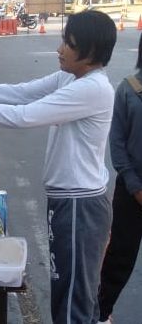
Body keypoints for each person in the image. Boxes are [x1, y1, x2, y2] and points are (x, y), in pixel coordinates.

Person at [0, 10, 116, 324]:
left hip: (79, 207)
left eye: (68, 44)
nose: (60, 49)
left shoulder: (92, 88)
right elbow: (21, 93)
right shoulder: (72, 77)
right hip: (69, 202)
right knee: (74, 293)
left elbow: (25, 115)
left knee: (72, 302)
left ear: (91, 52)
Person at [97, 34, 142, 324]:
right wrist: (136, 187)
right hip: (132, 192)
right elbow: (117, 145)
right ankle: (100, 313)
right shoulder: (128, 90)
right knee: (119, 259)